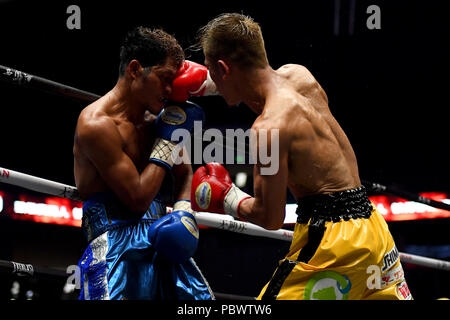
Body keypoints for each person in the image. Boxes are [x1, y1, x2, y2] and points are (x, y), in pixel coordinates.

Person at [186, 13, 412, 300]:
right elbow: (254, 81)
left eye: (211, 71)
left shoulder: (268, 129)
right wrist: (209, 83)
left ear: (223, 67)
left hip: (332, 246)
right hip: (374, 231)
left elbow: (270, 216)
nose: (209, 78)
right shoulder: (299, 75)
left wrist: (226, 197)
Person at [73, 26, 214, 300]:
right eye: (164, 79)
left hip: (164, 238)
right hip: (115, 244)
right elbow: (136, 199)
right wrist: (167, 142)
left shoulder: (158, 119)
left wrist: (184, 210)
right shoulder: (97, 124)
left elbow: (185, 173)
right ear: (136, 70)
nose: (171, 90)